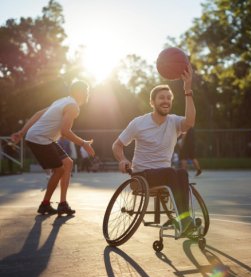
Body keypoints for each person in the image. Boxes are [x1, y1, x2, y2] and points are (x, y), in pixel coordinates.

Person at [112, 65, 196, 233]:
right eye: (161, 98)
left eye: (168, 98)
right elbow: (117, 145)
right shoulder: (139, 123)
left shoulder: (174, 122)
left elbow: (190, 122)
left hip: (164, 176)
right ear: (152, 102)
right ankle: (183, 221)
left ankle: (183, 219)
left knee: (182, 173)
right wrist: (123, 159)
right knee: (171, 172)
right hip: (141, 177)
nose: (165, 101)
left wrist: (187, 90)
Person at [11, 80, 95, 215]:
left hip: (44, 138)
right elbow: (65, 132)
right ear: (80, 92)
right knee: (59, 170)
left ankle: (62, 204)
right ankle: (45, 204)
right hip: (40, 139)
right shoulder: (73, 107)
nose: (88, 95)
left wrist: (22, 133)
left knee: (68, 163)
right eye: (87, 91)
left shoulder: (63, 101)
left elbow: (38, 113)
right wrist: (83, 143)